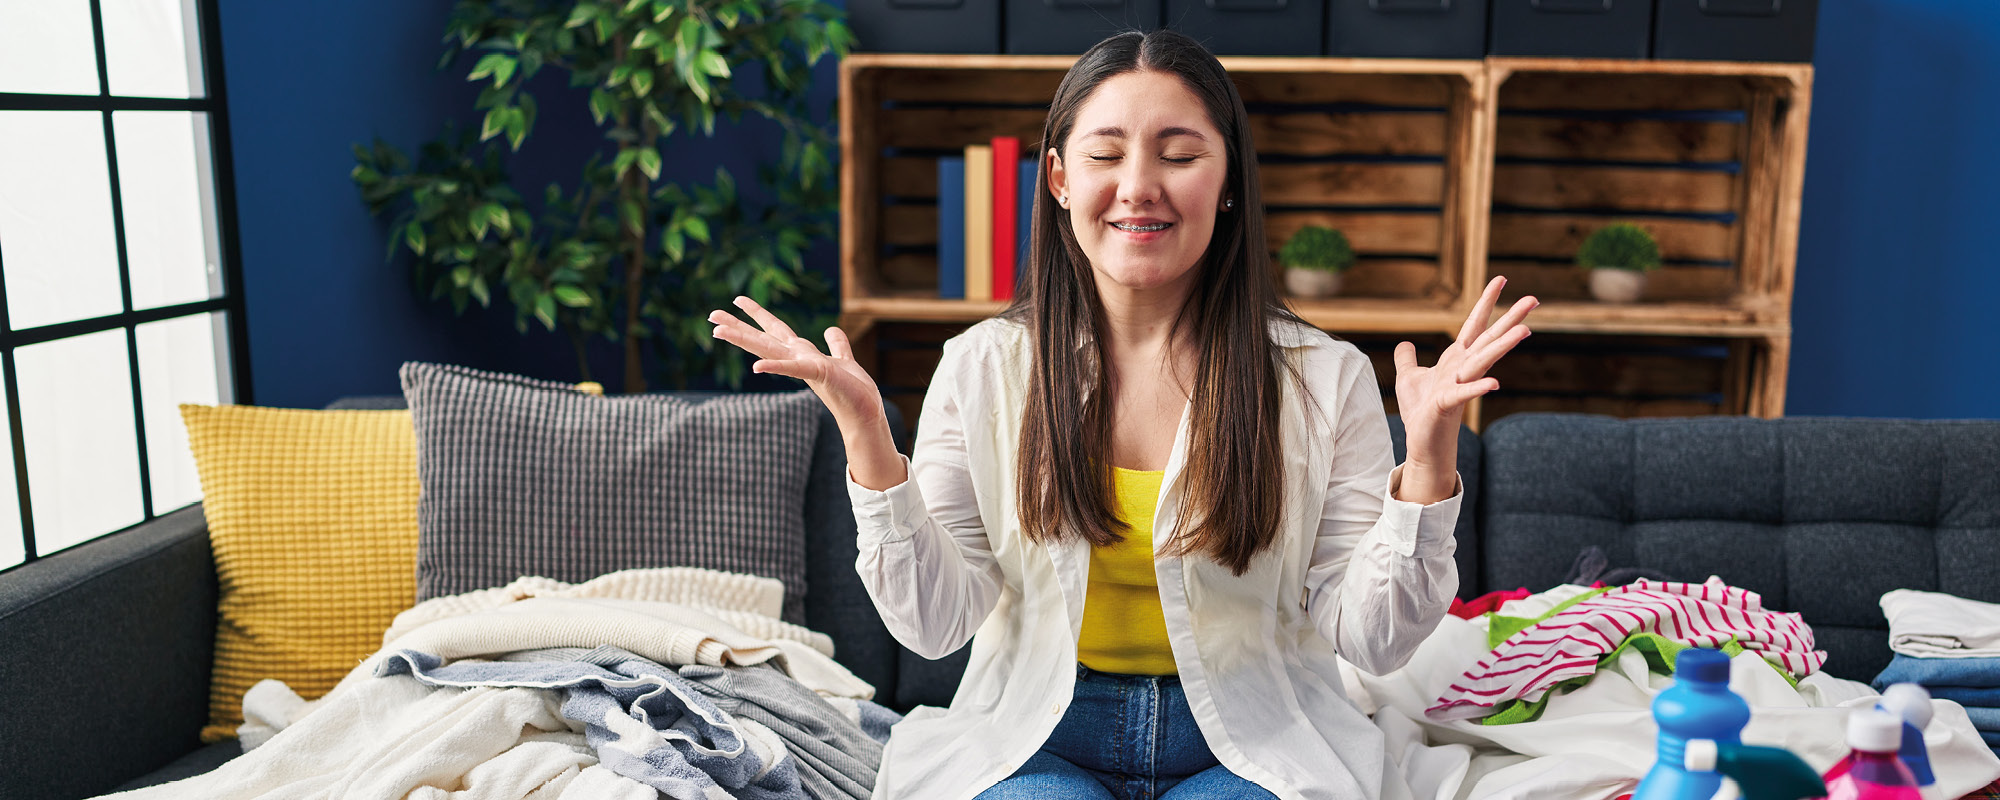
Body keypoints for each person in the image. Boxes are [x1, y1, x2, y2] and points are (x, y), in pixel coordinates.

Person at [709, 29, 1537, 800]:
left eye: (1179, 155)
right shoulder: (983, 365)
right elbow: (935, 624)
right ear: (1062, 179)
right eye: (1106, 153)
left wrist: (1428, 461)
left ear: (1227, 184)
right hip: (1039, 733)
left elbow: (1374, 640)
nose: (1138, 186)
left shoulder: (1325, 377)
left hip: (1250, 736)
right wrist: (867, 439)